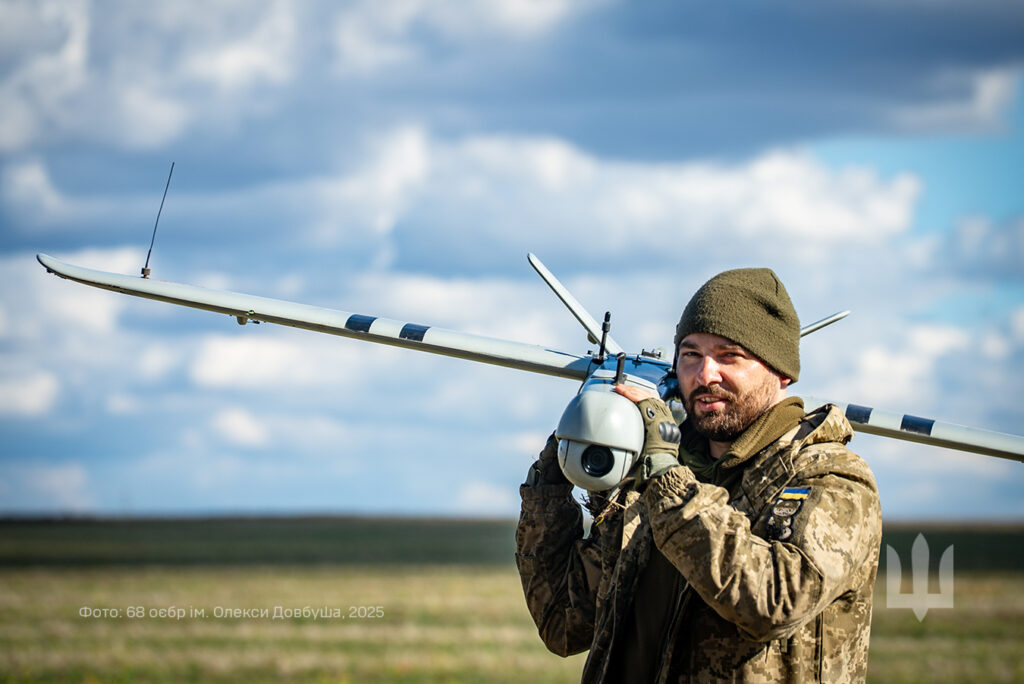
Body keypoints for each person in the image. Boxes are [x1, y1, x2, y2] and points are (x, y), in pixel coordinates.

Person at [516, 268, 882, 683]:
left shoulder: (833, 478)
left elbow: (774, 604)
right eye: (691, 354)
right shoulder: (654, 477)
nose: (705, 375)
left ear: (781, 371)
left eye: (729, 356)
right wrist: (554, 473)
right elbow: (564, 623)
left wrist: (666, 478)